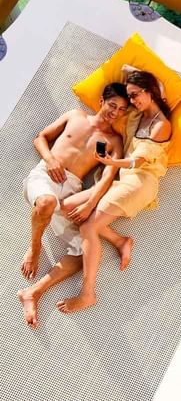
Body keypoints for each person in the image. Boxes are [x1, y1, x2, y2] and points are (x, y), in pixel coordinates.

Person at [57, 70, 172, 314]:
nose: (132, 101)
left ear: (149, 91)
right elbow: (127, 69)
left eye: (135, 95)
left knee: (88, 227)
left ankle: (88, 292)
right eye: (130, 96)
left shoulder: (161, 125)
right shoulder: (138, 113)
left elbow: (138, 162)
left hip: (139, 182)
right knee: (67, 206)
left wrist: (110, 162)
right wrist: (146, 83)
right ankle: (120, 240)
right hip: (122, 178)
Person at [17, 83, 128, 328]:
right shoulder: (74, 116)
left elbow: (108, 178)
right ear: (101, 101)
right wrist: (51, 159)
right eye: (112, 105)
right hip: (45, 177)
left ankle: (33, 292)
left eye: (121, 110)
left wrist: (89, 203)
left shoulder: (114, 141)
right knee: (46, 202)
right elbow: (41, 138)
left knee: (85, 254)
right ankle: (34, 248)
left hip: (72, 191)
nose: (115, 112)